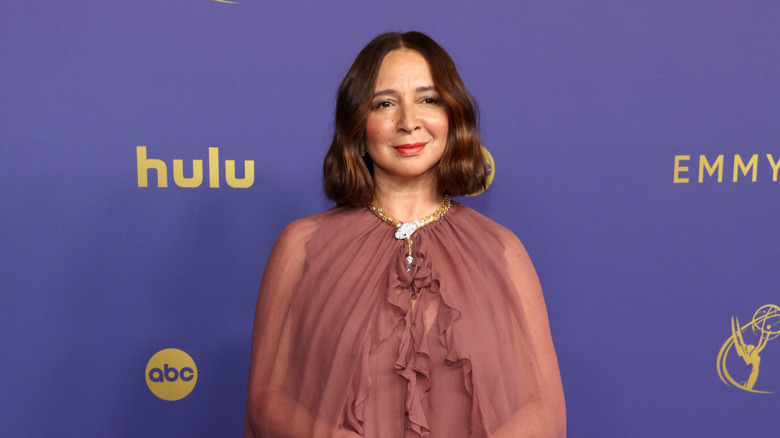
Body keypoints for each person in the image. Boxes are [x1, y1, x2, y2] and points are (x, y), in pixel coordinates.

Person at [244, 31, 566, 437]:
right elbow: (266, 399)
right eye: (385, 103)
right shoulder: (303, 246)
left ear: (453, 116)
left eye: (428, 100)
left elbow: (542, 408)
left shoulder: (503, 250)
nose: (409, 121)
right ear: (358, 124)